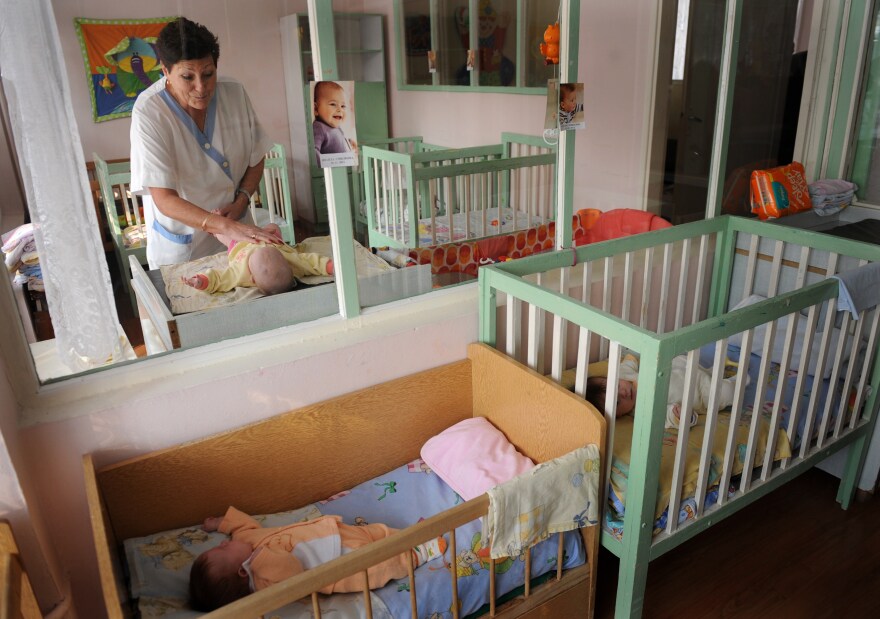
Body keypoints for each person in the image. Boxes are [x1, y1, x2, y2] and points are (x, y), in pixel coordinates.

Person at [130, 17, 282, 269]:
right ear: (166, 71)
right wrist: (224, 226)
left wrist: (242, 201)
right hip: (184, 247)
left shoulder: (233, 94)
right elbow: (164, 197)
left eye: (208, 74)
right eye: (187, 77)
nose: (201, 87)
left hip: (237, 231)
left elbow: (256, 157)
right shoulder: (149, 112)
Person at [189, 505, 447, 611]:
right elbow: (292, 568)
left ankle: (410, 536)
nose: (224, 544)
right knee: (380, 569)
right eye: (222, 550)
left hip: (334, 534)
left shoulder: (243, 543)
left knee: (377, 532)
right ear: (243, 571)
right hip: (339, 566)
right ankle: (417, 554)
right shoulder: (265, 579)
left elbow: (242, 527)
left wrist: (223, 523)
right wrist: (258, 558)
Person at [584, 352, 739, 430]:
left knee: (679, 356)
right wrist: (677, 415)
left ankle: (712, 372)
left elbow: (630, 360)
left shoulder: (622, 374)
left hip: (685, 369)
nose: (623, 393)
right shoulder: (643, 411)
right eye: (617, 402)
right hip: (701, 394)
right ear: (618, 415)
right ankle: (734, 382)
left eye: (617, 387)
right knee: (726, 393)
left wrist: (636, 350)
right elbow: (666, 417)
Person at [182, 223, 333, 295]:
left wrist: (202, 281)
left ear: (252, 279)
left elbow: (219, 279)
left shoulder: (240, 273)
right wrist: (331, 266)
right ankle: (225, 223)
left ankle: (214, 228)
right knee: (274, 227)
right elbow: (313, 262)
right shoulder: (293, 261)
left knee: (225, 235)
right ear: (288, 266)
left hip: (240, 245)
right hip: (269, 238)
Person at [312, 81, 356, 159]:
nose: (339, 110)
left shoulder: (337, 127)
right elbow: (313, 152)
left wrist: (348, 143)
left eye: (343, 106)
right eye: (333, 104)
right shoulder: (319, 127)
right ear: (316, 109)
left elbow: (337, 142)